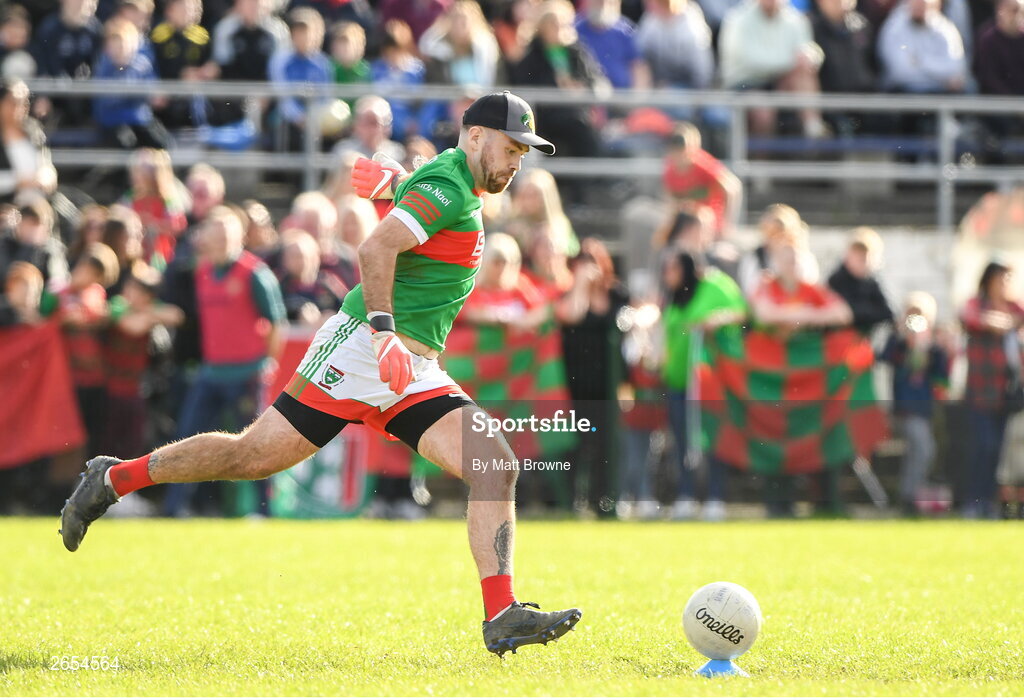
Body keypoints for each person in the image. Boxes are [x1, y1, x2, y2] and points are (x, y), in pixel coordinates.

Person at [61, 90, 582, 657]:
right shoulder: (450, 184)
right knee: (250, 457)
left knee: (495, 465)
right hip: (363, 348)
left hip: (409, 366)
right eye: (510, 148)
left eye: (523, 154)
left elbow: (425, 201)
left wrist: (396, 183)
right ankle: (115, 478)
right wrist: (383, 330)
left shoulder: (450, 177)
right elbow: (376, 249)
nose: (516, 163)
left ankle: (501, 614)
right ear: (476, 135)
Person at [158, 206, 287, 517]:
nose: (215, 244)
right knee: (188, 438)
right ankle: (174, 508)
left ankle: (265, 511)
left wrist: (266, 364)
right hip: (212, 371)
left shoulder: (254, 273)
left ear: (237, 238)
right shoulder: (201, 272)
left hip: (247, 373)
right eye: (211, 237)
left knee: (256, 445)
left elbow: (277, 324)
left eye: (222, 238)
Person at [661, 248, 746, 520]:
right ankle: (686, 495)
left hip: (708, 381)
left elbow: (740, 312)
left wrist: (715, 320)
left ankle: (715, 496)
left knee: (712, 439)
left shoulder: (714, 285)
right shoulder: (674, 299)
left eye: (674, 268)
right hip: (677, 381)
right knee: (682, 441)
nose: (668, 275)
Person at [960, 261, 1024, 519]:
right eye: (1000, 278)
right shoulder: (977, 304)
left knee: (997, 450)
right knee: (983, 446)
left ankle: (987, 502)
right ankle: (974, 501)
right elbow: (971, 317)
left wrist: (1008, 321)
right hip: (980, 391)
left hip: (1005, 395)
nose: (1004, 284)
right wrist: (1005, 322)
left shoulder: (1013, 307)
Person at [508, 0, 608, 157]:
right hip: (548, 117)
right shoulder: (532, 56)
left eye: (563, 23)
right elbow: (526, 86)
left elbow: (596, 79)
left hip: (579, 114)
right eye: (554, 24)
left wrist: (582, 89)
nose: (559, 28)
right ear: (543, 26)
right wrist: (559, 87)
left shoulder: (577, 53)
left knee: (588, 132)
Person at [880, 291, 948, 516]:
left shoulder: (932, 345)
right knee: (924, 448)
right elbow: (885, 358)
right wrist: (903, 338)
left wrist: (933, 347)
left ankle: (910, 495)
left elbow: (942, 376)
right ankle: (909, 495)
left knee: (919, 451)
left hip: (924, 408)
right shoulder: (898, 342)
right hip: (904, 408)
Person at [719, 0, 828, 137]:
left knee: (803, 74)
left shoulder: (796, 20)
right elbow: (749, 61)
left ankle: (813, 128)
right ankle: (761, 157)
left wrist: (810, 58)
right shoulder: (737, 19)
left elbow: (809, 51)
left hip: (779, 82)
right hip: (745, 85)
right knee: (763, 113)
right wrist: (794, 62)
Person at [92, 17, 168, 149]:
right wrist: (139, 95)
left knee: (161, 144)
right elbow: (106, 99)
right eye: (115, 44)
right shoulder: (103, 66)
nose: (120, 50)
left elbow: (154, 93)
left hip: (140, 118)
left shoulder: (142, 64)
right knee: (126, 144)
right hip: (113, 120)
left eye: (124, 44)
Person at [30, 0, 103, 126]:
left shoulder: (94, 29)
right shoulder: (49, 28)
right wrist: (43, 95)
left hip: (85, 91)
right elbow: (42, 64)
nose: (80, 3)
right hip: (55, 89)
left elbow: (97, 64)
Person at [269, 8, 332, 152]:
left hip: (316, 120)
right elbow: (283, 96)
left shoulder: (323, 63)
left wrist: (315, 117)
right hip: (288, 120)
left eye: (309, 33)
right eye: (300, 33)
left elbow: (326, 96)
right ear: (292, 35)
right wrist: (299, 118)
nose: (305, 38)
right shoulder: (281, 60)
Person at [661, 123, 741, 238]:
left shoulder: (703, 164)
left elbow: (732, 189)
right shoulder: (670, 170)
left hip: (710, 224)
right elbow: (670, 200)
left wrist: (727, 225)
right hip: (688, 225)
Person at [876, 0, 967, 95]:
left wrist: (920, 62)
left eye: (924, 5)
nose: (920, 9)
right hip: (905, 93)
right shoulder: (894, 29)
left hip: (939, 92)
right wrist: (941, 78)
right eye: (917, 4)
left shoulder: (946, 29)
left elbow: (955, 69)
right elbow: (900, 72)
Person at [150, 0, 212, 129]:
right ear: (169, 11)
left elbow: (207, 65)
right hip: (166, 92)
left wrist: (200, 73)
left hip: (192, 92)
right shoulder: (158, 36)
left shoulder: (201, 37)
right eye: (183, 9)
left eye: (191, 9)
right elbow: (154, 66)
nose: (188, 13)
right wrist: (180, 74)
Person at [826, 227, 894, 335]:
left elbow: (887, 313)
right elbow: (847, 313)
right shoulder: (837, 281)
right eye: (859, 255)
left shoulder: (871, 282)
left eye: (865, 256)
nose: (863, 261)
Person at [636, 0, 715, 92]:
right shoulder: (650, 20)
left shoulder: (692, 26)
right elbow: (639, 56)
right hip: (658, 86)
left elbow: (702, 73)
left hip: (690, 88)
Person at [419, 0, 500, 87]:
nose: (459, 25)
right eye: (455, 20)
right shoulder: (438, 55)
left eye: (464, 22)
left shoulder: (488, 52)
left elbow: (498, 83)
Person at [0, 79, 56, 204]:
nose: (21, 107)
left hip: (38, 204)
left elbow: (46, 163)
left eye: (24, 102)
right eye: (14, 102)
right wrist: (17, 182)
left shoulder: (33, 129)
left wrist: (47, 176)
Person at [574, 0, 652, 90]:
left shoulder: (626, 31)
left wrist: (636, 99)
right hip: (587, 96)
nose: (603, 6)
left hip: (622, 97)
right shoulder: (575, 30)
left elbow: (639, 66)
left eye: (608, 2)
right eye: (599, 2)